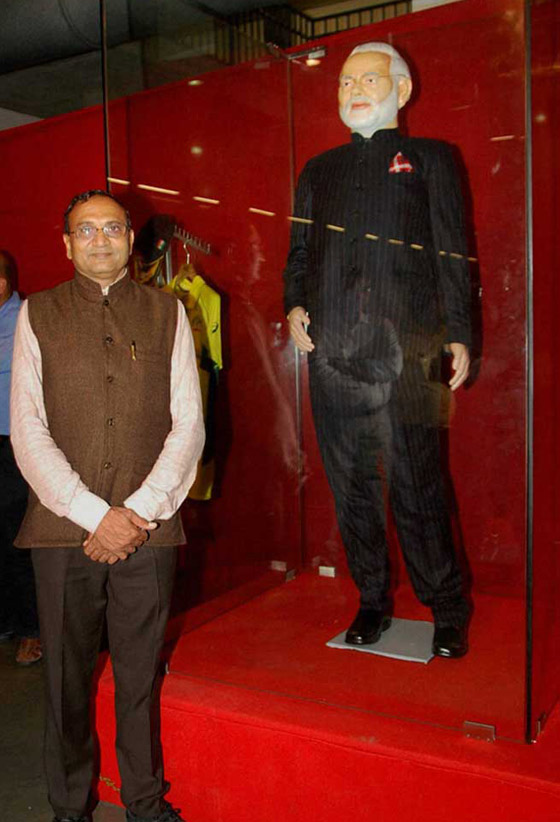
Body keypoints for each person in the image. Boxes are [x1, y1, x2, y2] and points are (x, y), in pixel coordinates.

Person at [10, 190, 205, 822]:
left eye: (112, 228)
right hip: (61, 530)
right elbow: (27, 430)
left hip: (151, 530)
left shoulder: (169, 312)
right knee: (65, 682)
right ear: (67, 243)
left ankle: (145, 803)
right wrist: (97, 516)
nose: (100, 239)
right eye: (86, 230)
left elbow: (189, 425)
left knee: (140, 679)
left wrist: (138, 512)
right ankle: (71, 807)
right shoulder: (38, 314)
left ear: (130, 239)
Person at [284, 42, 472, 658]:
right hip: (333, 350)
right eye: (345, 81)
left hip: (408, 350)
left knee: (417, 479)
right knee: (351, 484)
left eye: (369, 78)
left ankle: (446, 604)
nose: (355, 90)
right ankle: (371, 599)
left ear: (403, 89)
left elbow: (452, 249)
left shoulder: (431, 159)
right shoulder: (318, 171)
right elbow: (300, 253)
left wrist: (460, 330)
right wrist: (293, 304)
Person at [0, 250, 41, 665]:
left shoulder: (26, 320)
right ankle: (8, 621)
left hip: (14, 446)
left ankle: (32, 630)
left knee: (17, 538)